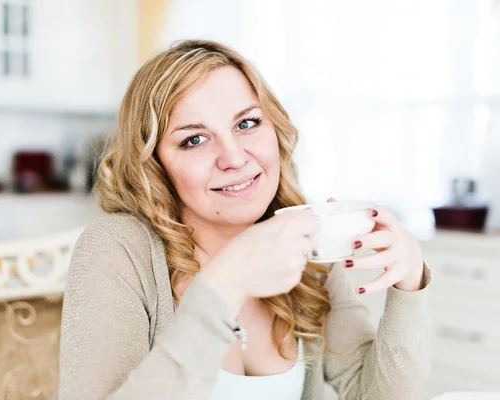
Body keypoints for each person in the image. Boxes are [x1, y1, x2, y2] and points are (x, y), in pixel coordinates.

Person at [58, 40, 431, 400]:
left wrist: (410, 283)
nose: (234, 157)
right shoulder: (117, 250)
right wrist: (223, 287)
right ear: (154, 165)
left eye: (247, 123)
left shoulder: (303, 245)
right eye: (194, 140)